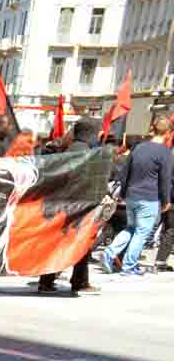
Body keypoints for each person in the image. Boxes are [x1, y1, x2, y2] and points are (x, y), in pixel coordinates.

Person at [38, 118, 102, 295]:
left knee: (58, 243)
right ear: (91, 134)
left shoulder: (67, 150)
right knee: (81, 244)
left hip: (60, 205)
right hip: (77, 205)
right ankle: (78, 281)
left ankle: (48, 281)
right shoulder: (87, 153)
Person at [103, 117, 173, 276]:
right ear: (168, 133)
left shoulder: (138, 148)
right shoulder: (165, 152)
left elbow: (125, 172)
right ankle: (129, 266)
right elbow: (165, 179)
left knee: (131, 228)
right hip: (149, 197)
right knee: (142, 232)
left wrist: (122, 194)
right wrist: (166, 200)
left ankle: (109, 253)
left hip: (131, 196)